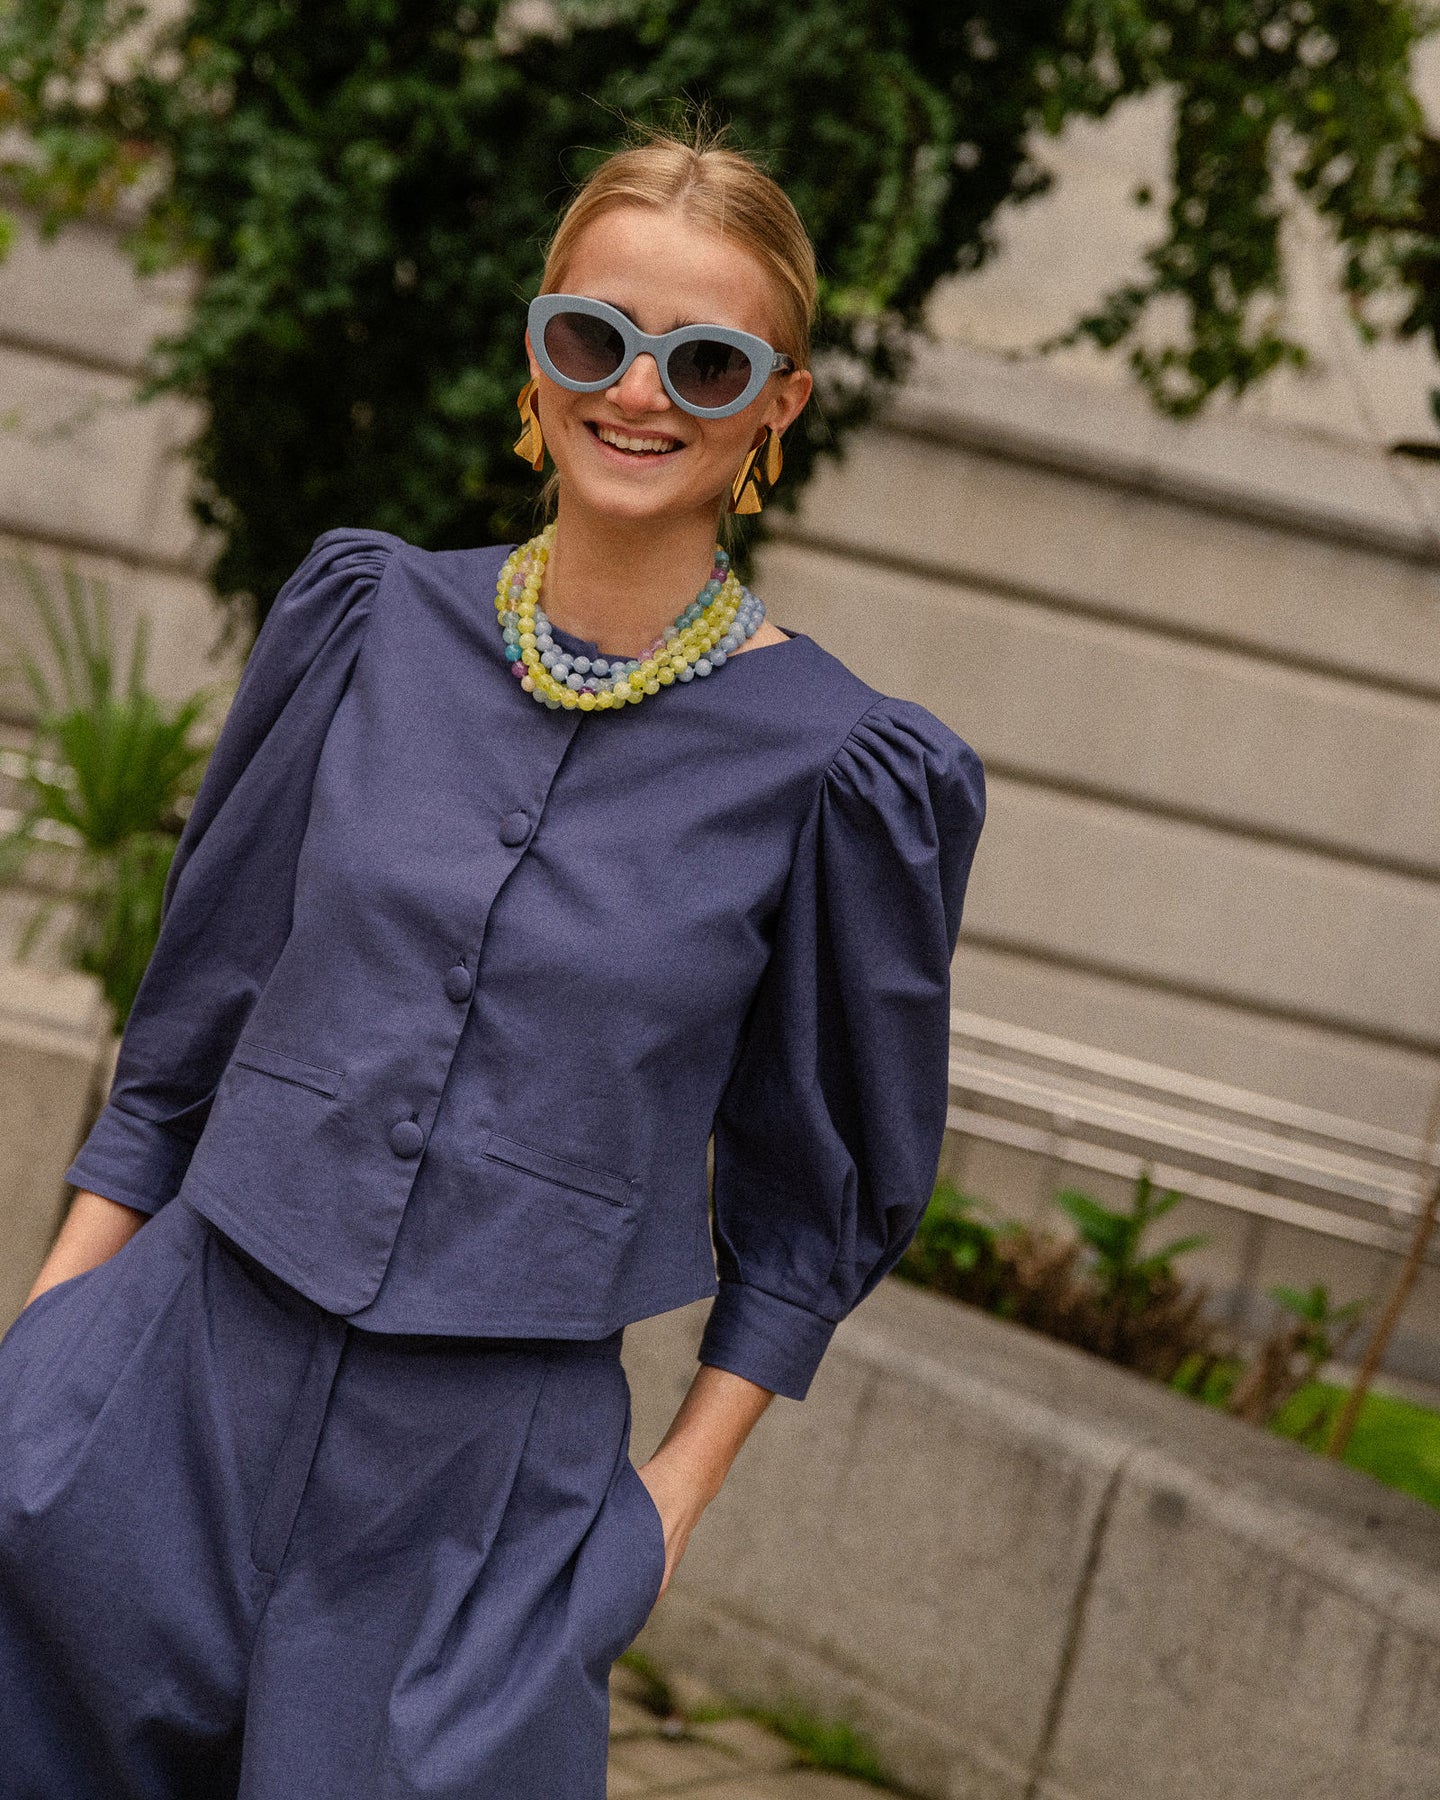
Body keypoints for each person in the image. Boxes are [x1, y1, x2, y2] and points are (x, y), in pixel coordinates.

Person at [0, 120, 985, 1798]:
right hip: (166, 1392)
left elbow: (814, 1199)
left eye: (707, 360)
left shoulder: (843, 774)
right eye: (594, 336)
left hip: (484, 1501)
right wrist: (44, 1356)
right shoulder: (366, 623)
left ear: (778, 406)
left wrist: (662, 1513)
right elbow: (187, 1029)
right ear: (537, 357)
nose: (640, 391)